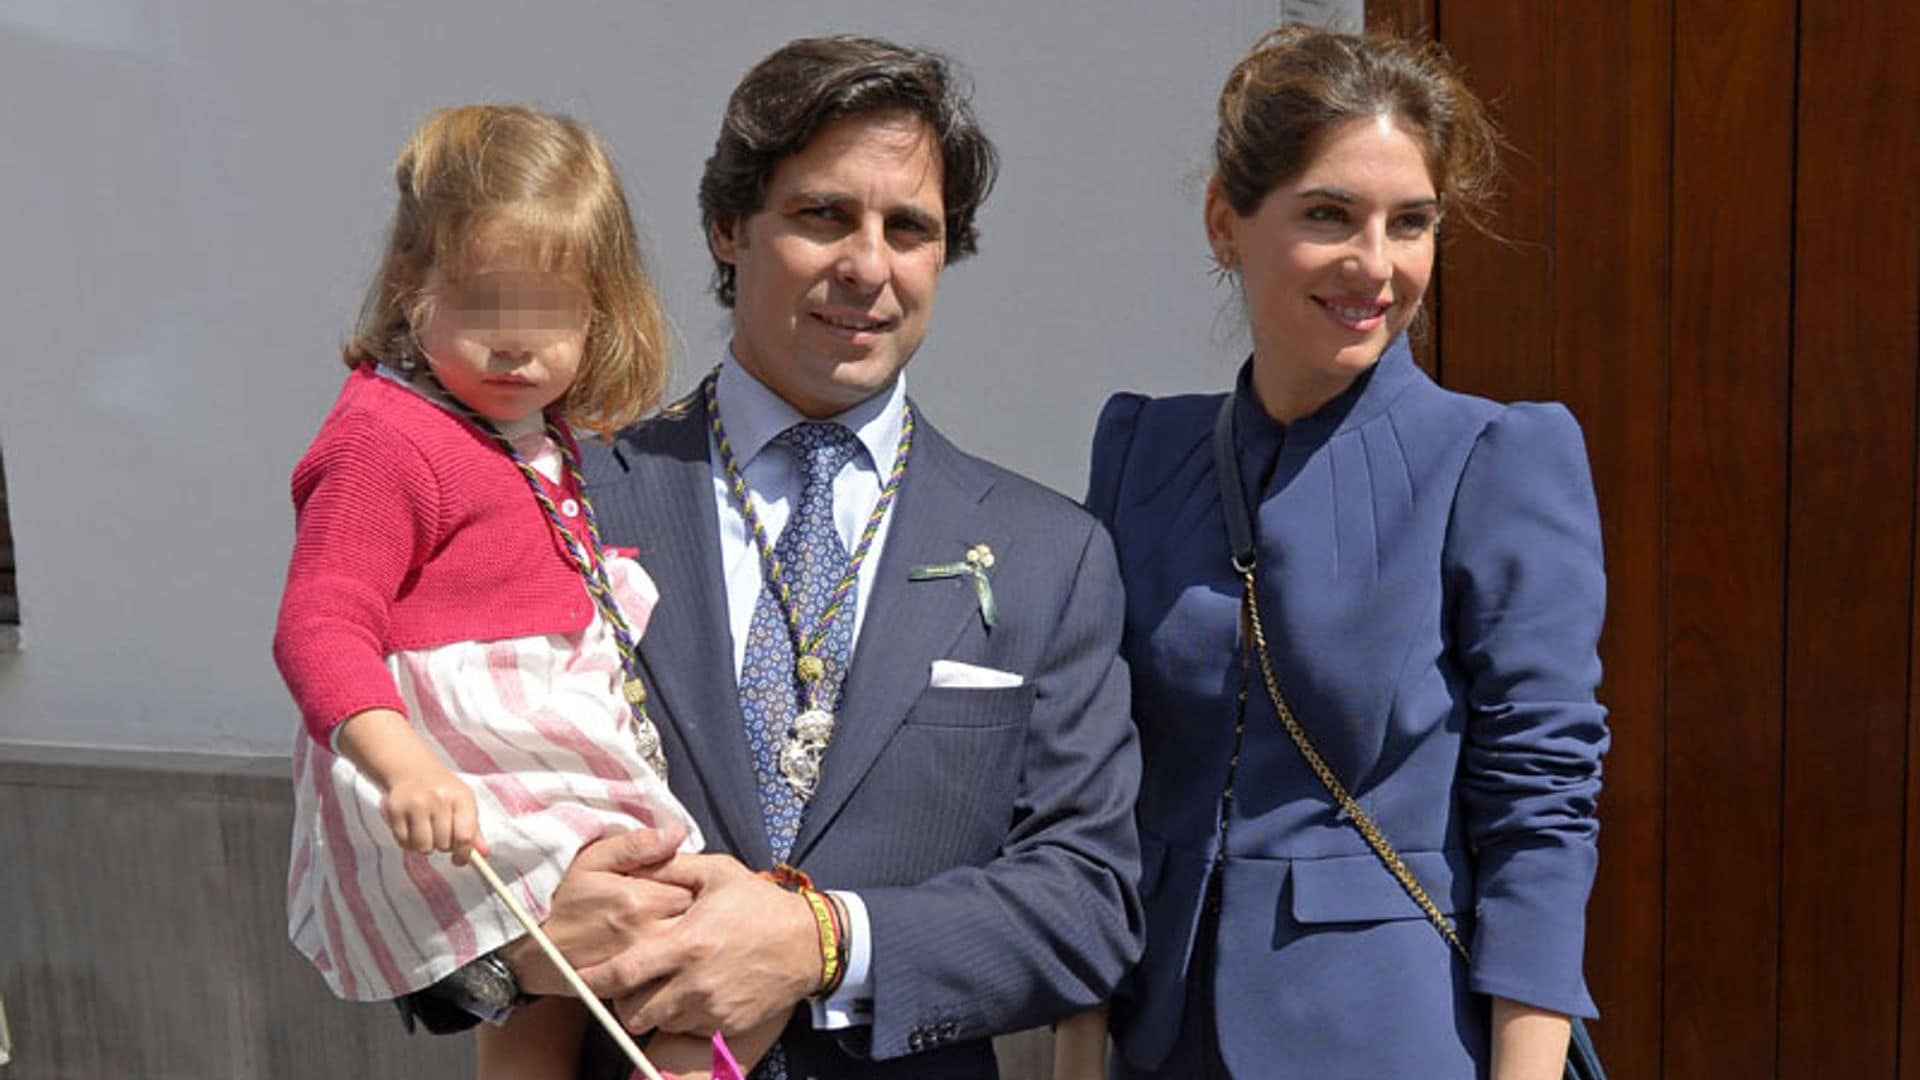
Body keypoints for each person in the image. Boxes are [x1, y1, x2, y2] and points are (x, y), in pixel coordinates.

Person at [405, 35, 1144, 1080]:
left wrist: (822, 943)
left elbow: (1089, 904)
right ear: (727, 226)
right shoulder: (562, 497)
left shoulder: (1046, 553)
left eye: (911, 229)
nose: (868, 265)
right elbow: (419, 823)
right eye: (822, 215)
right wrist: (517, 950)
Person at [1085, 26, 1608, 1080]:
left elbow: (1541, 800)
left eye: (1410, 223)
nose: (1376, 265)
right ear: (1225, 221)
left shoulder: (1496, 457)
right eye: (1330, 215)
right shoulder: (1142, 447)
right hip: (1156, 1035)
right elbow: (1089, 782)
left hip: (1389, 1039)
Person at [273, 104, 755, 1080]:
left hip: (534, 765)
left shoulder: (529, 434)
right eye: (485, 307)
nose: (515, 348)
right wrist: (402, 764)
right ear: (413, 280)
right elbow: (320, 621)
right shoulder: (386, 436)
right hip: (470, 777)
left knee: (583, 986)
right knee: (689, 925)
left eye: (553, 318)